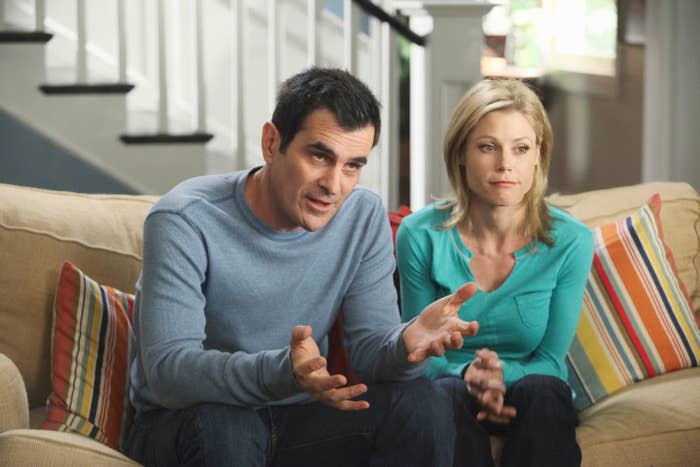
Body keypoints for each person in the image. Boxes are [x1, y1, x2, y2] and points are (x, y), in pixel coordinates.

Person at [124, 67, 481, 467]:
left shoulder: (360, 216)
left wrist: (406, 345)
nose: (334, 185)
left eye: (352, 166)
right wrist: (284, 371)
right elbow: (170, 372)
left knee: (422, 404)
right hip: (188, 420)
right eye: (319, 156)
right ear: (271, 142)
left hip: (300, 417)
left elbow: (368, 351)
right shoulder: (186, 218)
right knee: (225, 426)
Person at [396, 78, 594, 467]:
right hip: (449, 388)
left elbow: (552, 360)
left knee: (545, 389)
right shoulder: (419, 235)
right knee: (441, 395)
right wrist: (470, 373)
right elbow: (417, 351)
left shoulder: (571, 241)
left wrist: (500, 377)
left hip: (532, 391)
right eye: (488, 147)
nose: (506, 164)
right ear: (460, 154)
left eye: (521, 149)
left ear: (538, 154)